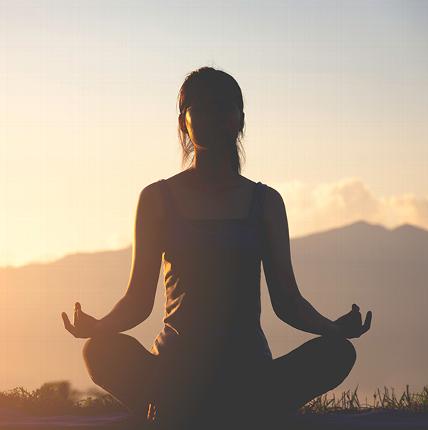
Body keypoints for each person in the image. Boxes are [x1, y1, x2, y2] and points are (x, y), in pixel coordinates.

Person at [61, 66, 372, 429]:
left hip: (248, 375)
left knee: (337, 353)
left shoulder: (265, 202)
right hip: (174, 373)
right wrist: (98, 326)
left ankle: (186, 412)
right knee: (99, 351)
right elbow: (138, 301)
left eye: (225, 106)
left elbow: (287, 300)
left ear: (240, 119)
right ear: (183, 122)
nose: (215, 115)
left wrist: (333, 330)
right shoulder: (157, 199)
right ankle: (209, 410)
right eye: (203, 107)